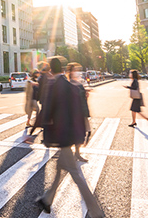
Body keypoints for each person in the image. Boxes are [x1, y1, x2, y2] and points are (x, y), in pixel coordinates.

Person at [36, 57, 103, 218]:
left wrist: (33, 133)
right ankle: (47, 199)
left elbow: (47, 111)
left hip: (63, 137)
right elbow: (78, 110)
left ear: (51, 70)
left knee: (75, 175)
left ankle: (96, 212)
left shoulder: (53, 85)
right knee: (59, 169)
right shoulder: (69, 86)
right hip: (71, 134)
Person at [67, 63, 91, 161]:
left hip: (80, 112)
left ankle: (76, 153)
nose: (77, 72)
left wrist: (86, 95)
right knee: (75, 134)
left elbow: (82, 99)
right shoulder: (69, 84)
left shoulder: (78, 84)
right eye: (75, 70)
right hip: (73, 113)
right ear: (70, 72)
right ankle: (71, 154)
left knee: (80, 134)